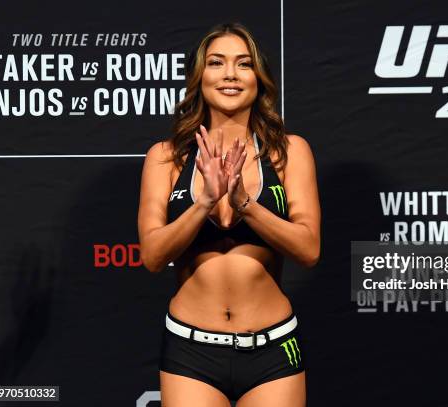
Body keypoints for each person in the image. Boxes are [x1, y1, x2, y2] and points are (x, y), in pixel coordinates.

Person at [137, 22, 320, 407]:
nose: (231, 75)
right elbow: (153, 257)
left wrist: (245, 205)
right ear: (200, 76)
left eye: (244, 64)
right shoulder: (166, 157)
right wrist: (203, 202)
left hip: (273, 347)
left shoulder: (288, 152)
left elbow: (308, 249)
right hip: (191, 349)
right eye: (217, 63)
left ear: (259, 78)